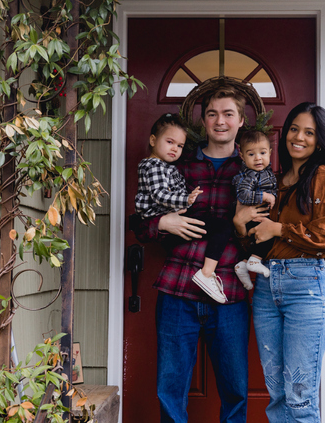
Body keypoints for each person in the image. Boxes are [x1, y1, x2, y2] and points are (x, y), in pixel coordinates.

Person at [131, 87, 250, 423]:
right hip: (178, 291)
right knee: (170, 390)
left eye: (228, 114)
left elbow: (263, 229)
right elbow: (140, 224)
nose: (220, 121)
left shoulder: (251, 170)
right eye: (212, 113)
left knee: (236, 391)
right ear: (204, 120)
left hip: (228, 293)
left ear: (240, 121)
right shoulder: (177, 165)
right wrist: (162, 222)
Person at [234, 102, 325, 422]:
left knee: (300, 396)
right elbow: (258, 241)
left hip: (305, 286)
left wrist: (280, 228)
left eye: (309, 132)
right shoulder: (274, 181)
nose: (299, 137)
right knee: (278, 394)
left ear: (321, 140)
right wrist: (241, 226)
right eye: (294, 129)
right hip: (267, 287)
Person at [135, 113, 233, 303]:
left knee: (218, 226)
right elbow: (159, 196)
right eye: (170, 142)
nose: (175, 149)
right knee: (222, 227)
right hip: (177, 281)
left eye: (179, 146)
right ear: (153, 140)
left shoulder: (248, 165)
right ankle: (206, 273)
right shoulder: (154, 166)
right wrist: (186, 201)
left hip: (230, 286)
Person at [231, 130, 277, 290]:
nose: (258, 158)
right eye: (251, 154)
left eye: (263, 153)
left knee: (255, 241)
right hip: (252, 216)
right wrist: (264, 196)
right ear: (242, 156)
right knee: (268, 237)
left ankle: (243, 264)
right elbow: (243, 195)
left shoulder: (264, 173)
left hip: (257, 216)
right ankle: (255, 260)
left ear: (270, 153)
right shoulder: (250, 175)